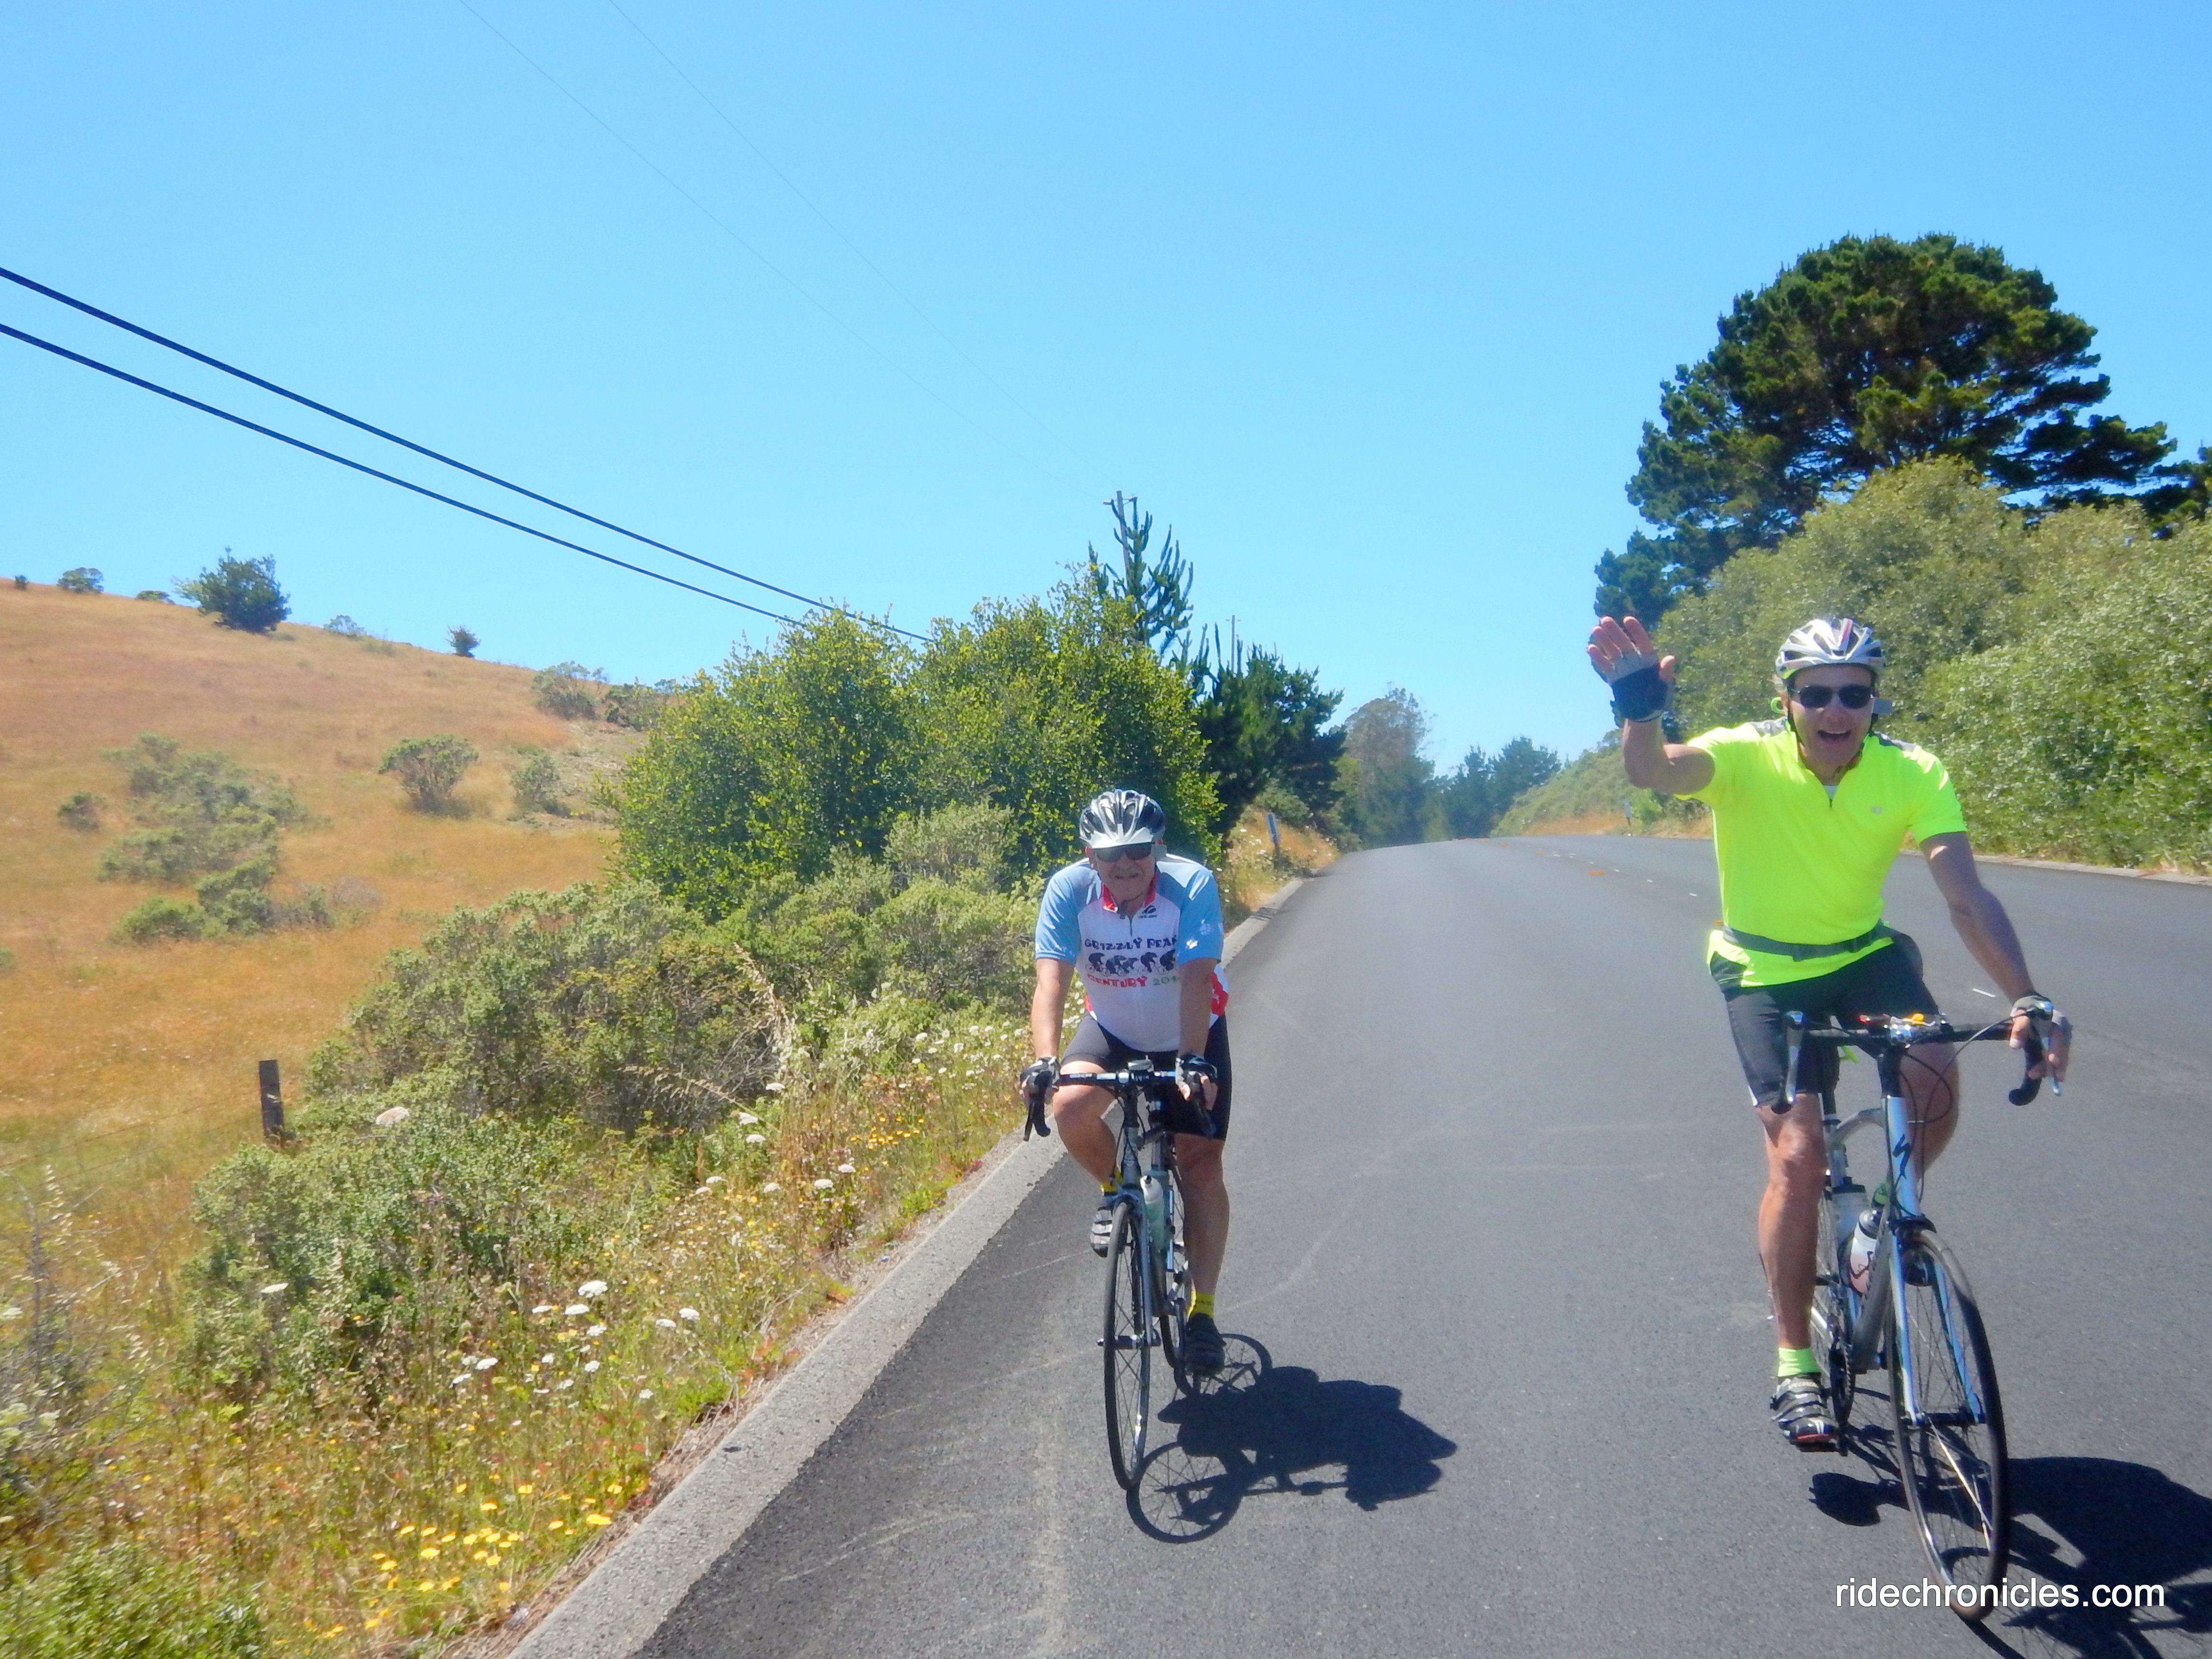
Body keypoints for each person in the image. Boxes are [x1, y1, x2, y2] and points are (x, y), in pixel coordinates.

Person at [1587, 613, 2070, 1450]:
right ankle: (1794, 1366)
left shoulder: (1912, 770)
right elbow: (1655, 772)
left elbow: (1965, 897)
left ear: (1873, 700)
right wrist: (1639, 712)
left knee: (1933, 1068)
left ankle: (1883, 1219)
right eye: (1816, 695)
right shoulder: (1744, 755)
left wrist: (2027, 996)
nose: (1836, 709)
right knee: (1798, 1159)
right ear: (1788, 701)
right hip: (1763, 970)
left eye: (1853, 692)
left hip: (1861, 956)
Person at [1022, 788, 1232, 1375]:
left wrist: (1192, 1059)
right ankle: (1117, 1191)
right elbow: (1051, 981)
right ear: (1089, 854)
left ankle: (1203, 1314)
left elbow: (1197, 978)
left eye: (1137, 849)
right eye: (1109, 853)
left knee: (1200, 1165)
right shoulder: (1070, 890)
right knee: (1069, 1106)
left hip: (1190, 1030)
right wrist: (1044, 1059)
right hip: (1112, 1028)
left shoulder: (1191, 884)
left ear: (1157, 847)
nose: (1125, 864)